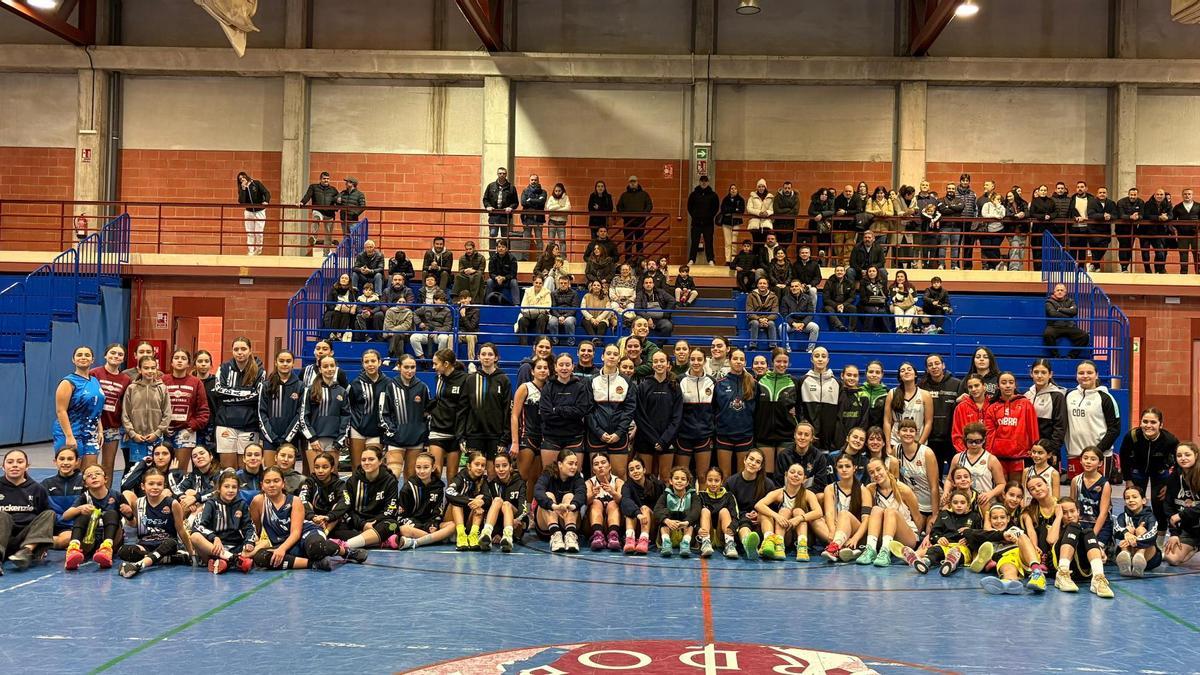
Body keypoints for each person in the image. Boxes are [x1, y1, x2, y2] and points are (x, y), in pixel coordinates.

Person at [249, 467, 359, 571]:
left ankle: (346, 552)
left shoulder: (295, 500)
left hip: (305, 534)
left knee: (317, 547)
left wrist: (282, 549)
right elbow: (255, 530)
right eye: (267, 482)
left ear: (283, 484)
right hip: (285, 543)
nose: (272, 485)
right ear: (262, 485)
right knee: (260, 558)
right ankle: (315, 564)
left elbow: (296, 533)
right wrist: (250, 547)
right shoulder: (258, 501)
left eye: (276, 481)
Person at [116, 468, 194, 578]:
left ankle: (139, 565)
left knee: (171, 542)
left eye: (159, 484)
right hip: (145, 545)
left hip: (166, 544)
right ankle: (170, 559)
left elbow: (181, 529)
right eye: (151, 484)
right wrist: (128, 516)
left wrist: (191, 552)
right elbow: (135, 525)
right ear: (143, 486)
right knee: (123, 551)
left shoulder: (172, 503)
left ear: (164, 486)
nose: (155, 487)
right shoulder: (138, 503)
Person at [329, 446, 401, 551]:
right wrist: (363, 524)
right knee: (335, 526)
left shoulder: (390, 481)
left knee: (392, 525)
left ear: (380, 461)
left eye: (371, 459)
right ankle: (379, 541)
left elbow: (391, 509)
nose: (366, 463)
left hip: (378, 523)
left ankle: (346, 545)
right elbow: (347, 507)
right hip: (357, 522)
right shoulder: (353, 481)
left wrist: (372, 524)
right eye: (363, 460)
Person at [856, 457, 924, 567]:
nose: (876, 474)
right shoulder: (871, 489)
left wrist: (919, 542)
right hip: (884, 536)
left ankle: (885, 552)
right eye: (872, 472)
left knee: (890, 511)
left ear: (886, 469)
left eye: (879, 469)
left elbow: (917, 517)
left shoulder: (904, 490)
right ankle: (871, 550)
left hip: (907, 538)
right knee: (876, 509)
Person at [1119, 407, 1178, 528]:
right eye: (1145, 421)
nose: (1148, 425)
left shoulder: (1169, 440)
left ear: (1161, 425)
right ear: (1140, 422)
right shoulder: (1132, 436)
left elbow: (1179, 464)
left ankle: (1160, 540)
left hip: (1160, 472)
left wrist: (1170, 484)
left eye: (1153, 422)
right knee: (1134, 500)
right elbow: (1124, 458)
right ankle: (1133, 532)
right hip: (1137, 471)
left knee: (1159, 503)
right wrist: (1128, 479)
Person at [385, 451, 456, 550]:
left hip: (428, 523)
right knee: (404, 529)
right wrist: (419, 526)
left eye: (426, 467)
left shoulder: (438, 486)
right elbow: (401, 516)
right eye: (418, 467)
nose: (421, 471)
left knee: (452, 525)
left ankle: (417, 541)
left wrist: (434, 524)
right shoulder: (408, 487)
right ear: (415, 467)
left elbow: (437, 511)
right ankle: (437, 538)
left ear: (433, 468)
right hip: (412, 524)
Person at [189, 469, 255, 574]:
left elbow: (249, 527)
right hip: (214, 548)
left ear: (238, 490)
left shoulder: (242, 504)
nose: (230, 490)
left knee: (264, 542)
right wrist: (214, 537)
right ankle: (234, 560)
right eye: (226, 486)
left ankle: (223, 562)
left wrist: (249, 542)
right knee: (195, 537)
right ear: (219, 488)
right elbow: (198, 526)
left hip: (236, 546)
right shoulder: (211, 504)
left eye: (234, 487)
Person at [53, 346, 105, 476]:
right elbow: (61, 411)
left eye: (87, 355)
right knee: (71, 473)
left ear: (92, 360)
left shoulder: (94, 381)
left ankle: (86, 497)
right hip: (71, 432)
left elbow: (96, 408)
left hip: (90, 434)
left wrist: (100, 430)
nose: (83, 357)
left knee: (90, 473)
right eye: (79, 355)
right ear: (73, 359)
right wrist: (69, 436)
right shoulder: (68, 382)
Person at [1065, 360, 1120, 479]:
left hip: (1099, 456)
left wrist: (1096, 451)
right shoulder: (1069, 396)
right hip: (1074, 455)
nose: (1085, 376)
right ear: (1076, 375)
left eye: (1089, 372)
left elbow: (1114, 429)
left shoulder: (1106, 398)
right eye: (1081, 373)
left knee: (1099, 495)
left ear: (1097, 375)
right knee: (1075, 493)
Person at [633, 351, 683, 482]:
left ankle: (663, 503)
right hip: (646, 439)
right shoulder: (643, 386)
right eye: (655, 361)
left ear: (668, 364)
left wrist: (663, 440)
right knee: (648, 477)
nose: (659, 364)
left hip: (667, 440)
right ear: (652, 365)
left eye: (662, 361)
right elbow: (640, 415)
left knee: (666, 477)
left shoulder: (675, 387)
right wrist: (654, 439)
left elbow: (677, 417)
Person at [984, 372, 1040, 481]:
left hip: (1020, 456)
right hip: (998, 456)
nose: (1008, 385)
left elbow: (1033, 428)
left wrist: (1034, 449)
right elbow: (989, 433)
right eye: (1004, 383)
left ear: (1015, 385)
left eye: (1011, 382)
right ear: (998, 386)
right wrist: (988, 454)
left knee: (1016, 490)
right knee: (1001, 491)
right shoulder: (992, 408)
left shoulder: (1025, 404)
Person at [300, 355, 351, 471]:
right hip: (315, 441)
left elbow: (346, 417)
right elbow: (303, 416)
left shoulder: (341, 391)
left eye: (332, 366)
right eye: (325, 366)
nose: (329, 369)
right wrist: (311, 438)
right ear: (320, 369)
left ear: (336, 367)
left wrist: (340, 440)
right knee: (316, 475)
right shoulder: (310, 390)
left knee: (332, 476)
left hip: (334, 441)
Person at [121, 355, 172, 467]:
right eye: (146, 368)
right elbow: (125, 414)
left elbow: (167, 414)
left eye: (153, 368)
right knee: (134, 470)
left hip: (156, 438)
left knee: (155, 470)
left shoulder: (162, 388)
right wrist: (133, 434)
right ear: (139, 369)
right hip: (135, 439)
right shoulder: (131, 388)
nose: (150, 371)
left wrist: (157, 433)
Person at [90, 344, 130, 479]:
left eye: (120, 354)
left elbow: (126, 405)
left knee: (108, 465)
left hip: (113, 426)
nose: (116, 356)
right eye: (113, 353)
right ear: (105, 355)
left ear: (123, 359)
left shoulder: (126, 379)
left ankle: (106, 496)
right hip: (92, 426)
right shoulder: (94, 373)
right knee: (90, 465)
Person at [919, 354, 961, 471]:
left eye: (937, 363)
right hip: (931, 440)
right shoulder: (922, 386)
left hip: (951, 440)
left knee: (956, 474)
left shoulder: (957, 384)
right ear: (927, 369)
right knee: (933, 476)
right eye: (930, 365)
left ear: (943, 365)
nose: (934, 367)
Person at [481, 453, 528, 552]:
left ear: (510, 466)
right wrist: (496, 533)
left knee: (506, 504)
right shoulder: (491, 484)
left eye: (504, 465)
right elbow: (488, 510)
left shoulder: (520, 483)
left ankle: (507, 536)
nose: (501, 469)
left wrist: (515, 520)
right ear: (494, 468)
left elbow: (524, 509)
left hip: (517, 522)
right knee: (497, 500)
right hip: (498, 525)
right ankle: (486, 534)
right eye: (497, 466)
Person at [1163, 442, 1200, 567]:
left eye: (1187, 455)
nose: (1183, 458)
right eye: (1179, 455)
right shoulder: (1174, 477)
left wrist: (1182, 515)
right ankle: (1194, 546)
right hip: (1190, 531)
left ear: (1196, 455)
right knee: (1171, 558)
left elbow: (1180, 515)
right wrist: (1173, 534)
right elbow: (1168, 507)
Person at [1024, 359, 1068, 462]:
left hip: (1048, 453)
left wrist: (1053, 450)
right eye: (1036, 372)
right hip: (1030, 451)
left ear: (1050, 374)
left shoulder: (1057, 396)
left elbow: (1060, 426)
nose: (1039, 376)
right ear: (1031, 374)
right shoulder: (1026, 395)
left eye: (1043, 372)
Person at [446, 452, 492, 551]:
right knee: (457, 502)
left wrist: (480, 502)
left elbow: (488, 499)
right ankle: (460, 535)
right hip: (451, 522)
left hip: (468, 521)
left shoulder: (483, 480)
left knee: (481, 500)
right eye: (477, 464)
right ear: (469, 465)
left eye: (483, 465)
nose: (480, 468)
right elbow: (449, 492)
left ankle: (473, 535)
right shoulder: (460, 476)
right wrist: (471, 501)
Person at [1113, 485, 1161, 577]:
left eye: (1134, 497)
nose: (1131, 500)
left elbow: (1153, 534)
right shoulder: (1122, 516)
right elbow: (1116, 530)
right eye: (1127, 498)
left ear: (1143, 500)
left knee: (1140, 529)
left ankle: (1139, 557)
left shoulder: (1150, 517)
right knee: (1128, 530)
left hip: (1148, 557)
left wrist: (1136, 541)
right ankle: (1125, 557)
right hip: (1129, 551)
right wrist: (1127, 534)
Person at [1070, 446, 1113, 546]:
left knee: (1093, 549)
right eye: (1085, 458)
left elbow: (1103, 514)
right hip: (1080, 523)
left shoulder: (1105, 484)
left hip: (1100, 526)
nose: (1088, 461)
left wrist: (1092, 535)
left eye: (1093, 459)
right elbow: (1071, 507)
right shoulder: (1075, 481)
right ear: (1080, 460)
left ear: (1100, 463)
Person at [1042, 283, 1090, 359]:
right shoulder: (1049, 302)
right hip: (1054, 326)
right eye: (1058, 290)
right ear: (1054, 292)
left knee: (1084, 336)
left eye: (1062, 290)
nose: (1060, 292)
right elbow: (1053, 313)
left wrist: (1060, 309)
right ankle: (1056, 356)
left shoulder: (1070, 301)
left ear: (1065, 292)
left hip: (1069, 326)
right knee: (1047, 334)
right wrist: (1068, 314)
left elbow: (1074, 311)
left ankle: (1071, 356)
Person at [687, 175, 720, 264]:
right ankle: (691, 259)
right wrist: (695, 216)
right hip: (696, 222)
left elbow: (715, 208)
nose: (704, 182)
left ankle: (710, 259)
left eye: (705, 181)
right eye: (702, 181)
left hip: (708, 223)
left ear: (708, 182)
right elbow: (689, 207)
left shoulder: (713, 195)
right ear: (699, 182)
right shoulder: (693, 194)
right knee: (694, 241)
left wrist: (709, 216)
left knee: (709, 241)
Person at [300, 171, 339, 248]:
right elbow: (308, 195)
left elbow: (338, 198)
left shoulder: (333, 190)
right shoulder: (313, 187)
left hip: (329, 213)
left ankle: (326, 253)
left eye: (328, 179)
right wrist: (302, 202)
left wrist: (338, 207)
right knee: (316, 218)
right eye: (324, 178)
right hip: (318, 210)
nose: (326, 180)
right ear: (320, 179)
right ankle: (313, 238)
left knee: (328, 234)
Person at [411, 291, 453, 362]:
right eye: (441, 300)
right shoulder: (427, 307)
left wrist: (437, 331)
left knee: (444, 338)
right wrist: (419, 322)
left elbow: (448, 327)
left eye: (444, 300)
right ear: (435, 300)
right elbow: (414, 313)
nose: (443, 302)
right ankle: (422, 359)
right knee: (413, 337)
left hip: (439, 334)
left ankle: (439, 359)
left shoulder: (447, 311)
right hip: (426, 331)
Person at [617, 175, 653, 257]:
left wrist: (643, 214)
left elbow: (649, 206)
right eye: (631, 182)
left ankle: (639, 260)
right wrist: (625, 216)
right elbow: (619, 207)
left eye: (634, 181)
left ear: (637, 182)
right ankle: (628, 260)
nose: (633, 183)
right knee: (628, 242)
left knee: (639, 242)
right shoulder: (624, 195)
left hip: (640, 222)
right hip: (628, 222)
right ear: (629, 183)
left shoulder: (644, 194)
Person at [483, 166, 519, 247]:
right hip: (493, 215)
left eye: (504, 173)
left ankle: (506, 256)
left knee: (505, 236)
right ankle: (492, 256)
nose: (502, 175)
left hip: (505, 216)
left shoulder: (511, 188)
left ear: (506, 175)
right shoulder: (490, 186)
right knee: (492, 235)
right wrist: (487, 206)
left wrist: (511, 207)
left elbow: (516, 202)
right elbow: (485, 199)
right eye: (500, 173)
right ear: (497, 174)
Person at [236, 170, 270, 255]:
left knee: (258, 232)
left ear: (246, 176)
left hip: (259, 211)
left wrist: (266, 201)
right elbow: (242, 202)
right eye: (240, 179)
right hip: (249, 212)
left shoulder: (256, 183)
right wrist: (243, 189)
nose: (242, 179)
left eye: (243, 177)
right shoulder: (242, 188)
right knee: (250, 232)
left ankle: (258, 249)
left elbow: (266, 192)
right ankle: (250, 250)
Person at [1141, 188, 1173, 274]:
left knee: (1160, 253)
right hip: (1145, 232)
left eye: (1161, 194)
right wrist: (1159, 217)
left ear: (1164, 196)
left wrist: (1167, 218)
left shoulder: (1168, 204)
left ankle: (1158, 269)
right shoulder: (1148, 204)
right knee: (1145, 253)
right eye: (1157, 194)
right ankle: (1147, 270)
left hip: (1159, 232)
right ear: (1154, 195)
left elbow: (1171, 215)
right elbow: (1146, 216)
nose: (1159, 196)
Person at [1115, 187, 1144, 272]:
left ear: (1137, 195)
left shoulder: (1141, 202)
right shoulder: (1121, 202)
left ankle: (1126, 265)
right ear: (1128, 194)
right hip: (1121, 229)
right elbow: (1121, 215)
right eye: (1131, 194)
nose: (1133, 196)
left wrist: (1138, 217)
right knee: (1123, 246)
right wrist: (1131, 217)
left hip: (1133, 229)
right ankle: (1123, 267)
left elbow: (1142, 215)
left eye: (1134, 195)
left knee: (1129, 247)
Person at [519, 173, 548, 258]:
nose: (533, 181)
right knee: (526, 240)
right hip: (527, 219)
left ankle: (540, 258)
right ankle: (524, 258)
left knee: (539, 239)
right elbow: (523, 202)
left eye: (535, 180)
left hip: (538, 219)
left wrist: (530, 200)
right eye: (532, 180)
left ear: (538, 181)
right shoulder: (525, 191)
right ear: (529, 180)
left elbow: (541, 202)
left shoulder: (543, 192)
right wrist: (536, 201)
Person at [745, 277, 779, 350]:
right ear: (757, 285)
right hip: (754, 319)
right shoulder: (751, 296)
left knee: (771, 323)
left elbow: (775, 313)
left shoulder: (774, 297)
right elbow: (749, 311)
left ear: (767, 285)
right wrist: (759, 319)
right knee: (755, 323)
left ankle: (773, 347)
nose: (762, 285)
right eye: (760, 283)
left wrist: (766, 319)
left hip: (768, 320)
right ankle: (753, 346)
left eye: (764, 283)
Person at [1171, 187, 1199, 274]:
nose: (1187, 196)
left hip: (1196, 235)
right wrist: (1180, 228)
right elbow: (1173, 220)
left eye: (1189, 194)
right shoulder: (1177, 207)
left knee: (1198, 254)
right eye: (1185, 194)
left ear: (1192, 195)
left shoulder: (1198, 206)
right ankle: (1183, 273)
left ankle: (1198, 273)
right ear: (1182, 195)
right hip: (1182, 235)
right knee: (1183, 255)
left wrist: (1198, 230)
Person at [485, 239, 520, 305]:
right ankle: (488, 303)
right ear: (497, 248)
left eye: (503, 247)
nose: (501, 249)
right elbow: (491, 273)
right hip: (496, 281)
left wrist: (504, 278)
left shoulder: (512, 259)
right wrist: (496, 278)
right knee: (489, 281)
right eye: (499, 247)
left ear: (506, 249)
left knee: (514, 282)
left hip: (507, 281)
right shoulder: (493, 258)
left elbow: (513, 274)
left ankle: (516, 304)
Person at [823, 264, 857, 332]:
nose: (839, 272)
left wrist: (843, 305)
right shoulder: (829, 282)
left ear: (844, 272)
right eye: (837, 270)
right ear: (835, 272)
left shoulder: (850, 282)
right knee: (827, 308)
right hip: (832, 304)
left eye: (841, 270)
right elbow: (826, 298)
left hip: (844, 304)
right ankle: (839, 326)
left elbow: (852, 297)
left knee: (853, 308)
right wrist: (836, 305)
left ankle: (851, 330)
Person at [856, 266, 888, 333]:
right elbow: (863, 298)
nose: (872, 273)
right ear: (867, 273)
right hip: (866, 305)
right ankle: (866, 332)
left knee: (883, 312)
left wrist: (878, 305)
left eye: (874, 271)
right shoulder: (863, 282)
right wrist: (875, 304)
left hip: (880, 305)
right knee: (872, 310)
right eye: (870, 271)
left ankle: (887, 332)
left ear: (877, 273)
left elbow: (885, 296)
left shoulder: (882, 282)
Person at [545, 182, 571, 254]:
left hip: (561, 222)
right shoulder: (551, 198)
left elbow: (568, 208)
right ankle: (550, 256)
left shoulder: (566, 198)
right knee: (551, 241)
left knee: (562, 240)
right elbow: (549, 208)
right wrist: (560, 206)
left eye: (559, 191)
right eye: (556, 191)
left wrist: (555, 209)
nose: (557, 192)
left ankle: (563, 257)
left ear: (562, 190)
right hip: (552, 221)